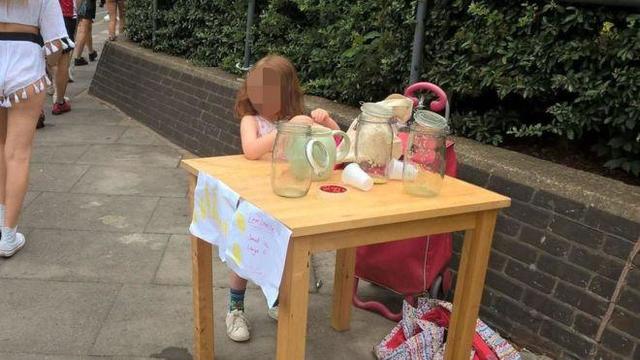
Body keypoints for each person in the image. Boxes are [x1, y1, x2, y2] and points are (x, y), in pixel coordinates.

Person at [230, 54, 339, 342]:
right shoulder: (251, 120)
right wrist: (288, 129)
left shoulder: (295, 120)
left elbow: (337, 144)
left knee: (282, 252)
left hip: (287, 199)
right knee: (243, 253)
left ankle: (276, 300)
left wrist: (325, 120)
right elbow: (251, 149)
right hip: (253, 201)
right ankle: (235, 307)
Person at [0, 0, 72, 256]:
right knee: (18, 154)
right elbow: (54, 48)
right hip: (25, 66)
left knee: (0, 146)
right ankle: (8, 235)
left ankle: (0, 220)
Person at [51, 0, 77, 115]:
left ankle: (52, 86)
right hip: (64, 13)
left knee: (45, 52)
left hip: (35, 17)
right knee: (63, 57)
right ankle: (59, 101)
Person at [73, 0, 97, 66]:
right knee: (83, 29)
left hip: (86, 3)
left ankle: (91, 52)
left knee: (87, 27)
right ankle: (78, 58)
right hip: (85, 3)